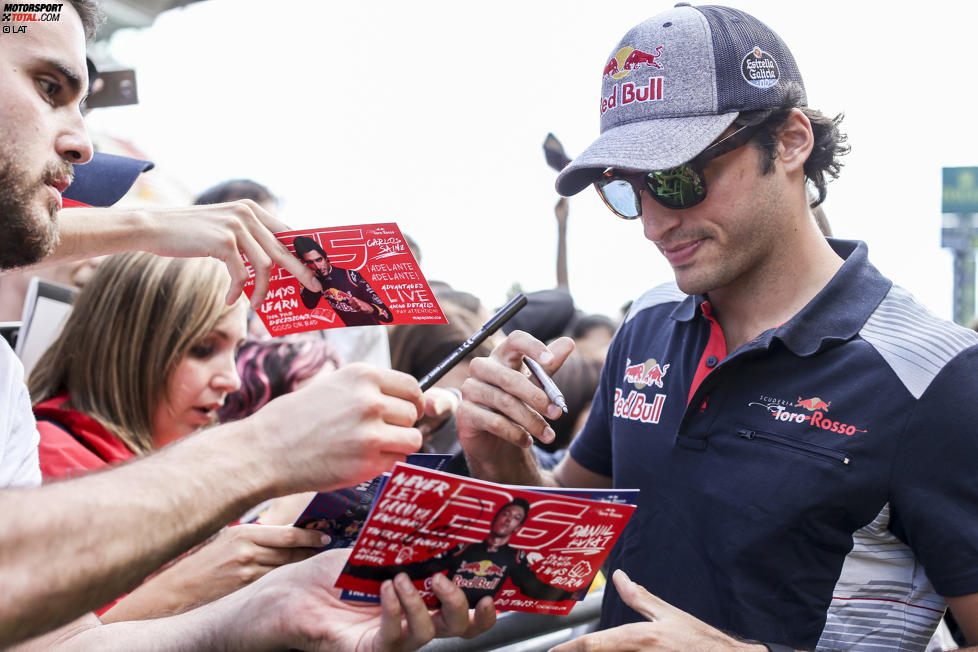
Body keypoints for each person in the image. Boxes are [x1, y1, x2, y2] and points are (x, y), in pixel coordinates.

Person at [456, 5, 978, 651]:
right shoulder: (647, 322)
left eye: (678, 181)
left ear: (790, 141)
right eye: (627, 191)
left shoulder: (937, 374)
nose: (653, 224)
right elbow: (564, 542)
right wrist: (499, 450)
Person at [0, 2, 493, 647]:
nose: (82, 145)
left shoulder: (9, 382)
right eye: (48, 87)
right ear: (134, 337)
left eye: (237, 345)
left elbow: (49, 643)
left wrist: (269, 609)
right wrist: (268, 452)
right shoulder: (62, 446)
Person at [344, 498, 578, 607]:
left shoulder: (515, 556)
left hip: (482, 620)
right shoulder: (465, 546)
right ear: (497, 515)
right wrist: (360, 570)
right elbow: (418, 568)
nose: (508, 520)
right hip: (441, 610)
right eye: (506, 513)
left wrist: (571, 594)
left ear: (519, 527)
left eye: (516, 518)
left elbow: (532, 586)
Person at [293, 235, 394, 327]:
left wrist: (370, 308)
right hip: (345, 334)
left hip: (371, 331)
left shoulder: (351, 276)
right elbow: (310, 305)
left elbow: (388, 317)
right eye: (310, 262)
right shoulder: (315, 279)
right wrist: (307, 279)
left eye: (319, 260)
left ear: (326, 259)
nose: (317, 266)